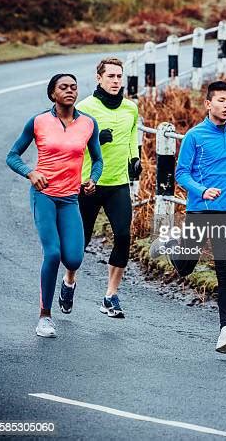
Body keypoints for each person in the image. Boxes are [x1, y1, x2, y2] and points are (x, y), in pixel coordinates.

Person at [150, 81, 226, 353]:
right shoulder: (195, 136)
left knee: (225, 268)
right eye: (221, 100)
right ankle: (172, 244)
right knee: (186, 267)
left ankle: (225, 328)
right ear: (208, 104)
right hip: (200, 209)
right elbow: (181, 174)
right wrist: (202, 190)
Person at [6, 74, 103, 338]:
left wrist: (93, 179)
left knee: (74, 258)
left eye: (73, 87)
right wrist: (30, 172)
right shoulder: (38, 122)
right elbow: (12, 156)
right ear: (53, 94)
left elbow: (97, 160)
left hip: (70, 198)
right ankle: (45, 317)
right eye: (64, 87)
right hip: (44, 195)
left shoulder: (88, 124)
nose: (70, 90)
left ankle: (68, 284)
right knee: (52, 253)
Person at [73, 57, 141, 319]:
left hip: (118, 183)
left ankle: (110, 295)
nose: (115, 81)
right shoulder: (85, 108)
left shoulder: (130, 108)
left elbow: (133, 134)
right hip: (88, 183)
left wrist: (135, 158)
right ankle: (69, 282)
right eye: (110, 76)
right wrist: (95, 140)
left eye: (119, 76)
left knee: (123, 236)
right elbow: (71, 144)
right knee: (81, 241)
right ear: (99, 78)